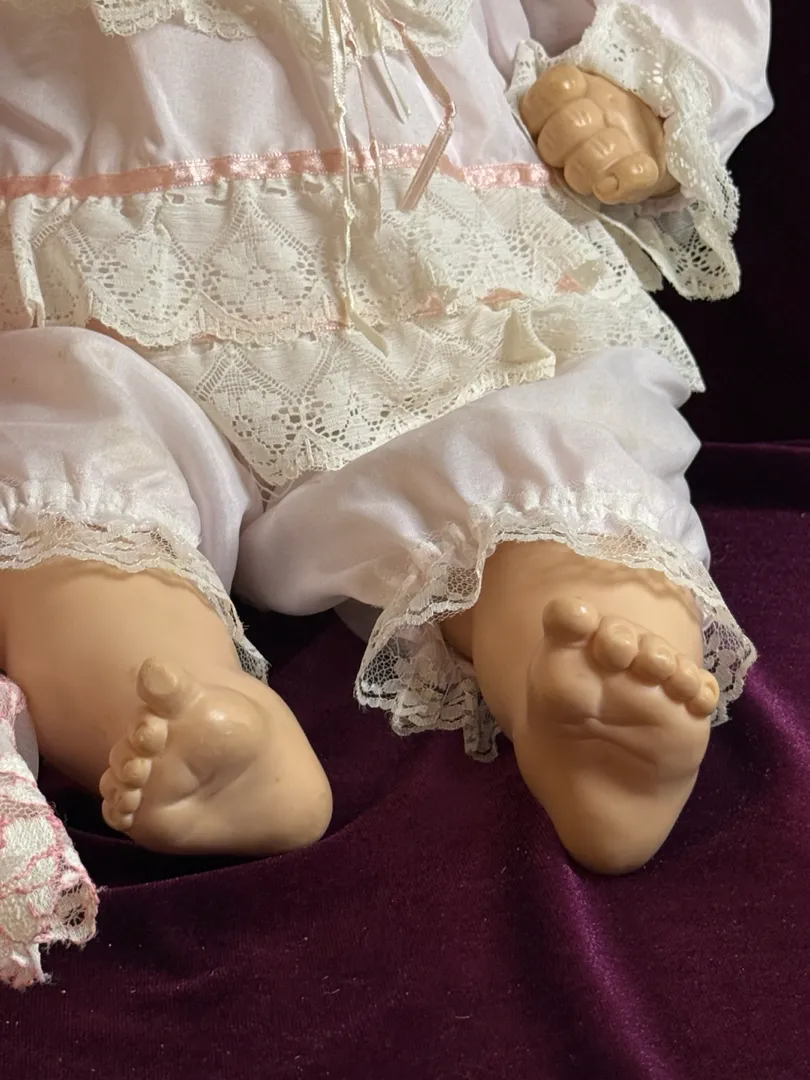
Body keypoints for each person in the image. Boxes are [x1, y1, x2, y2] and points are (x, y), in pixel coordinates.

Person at [0, 0, 773, 877]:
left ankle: (589, 664)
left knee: (542, 433)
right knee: (55, 483)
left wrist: (635, 91)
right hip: (87, 279)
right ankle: (182, 711)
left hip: (424, 272)